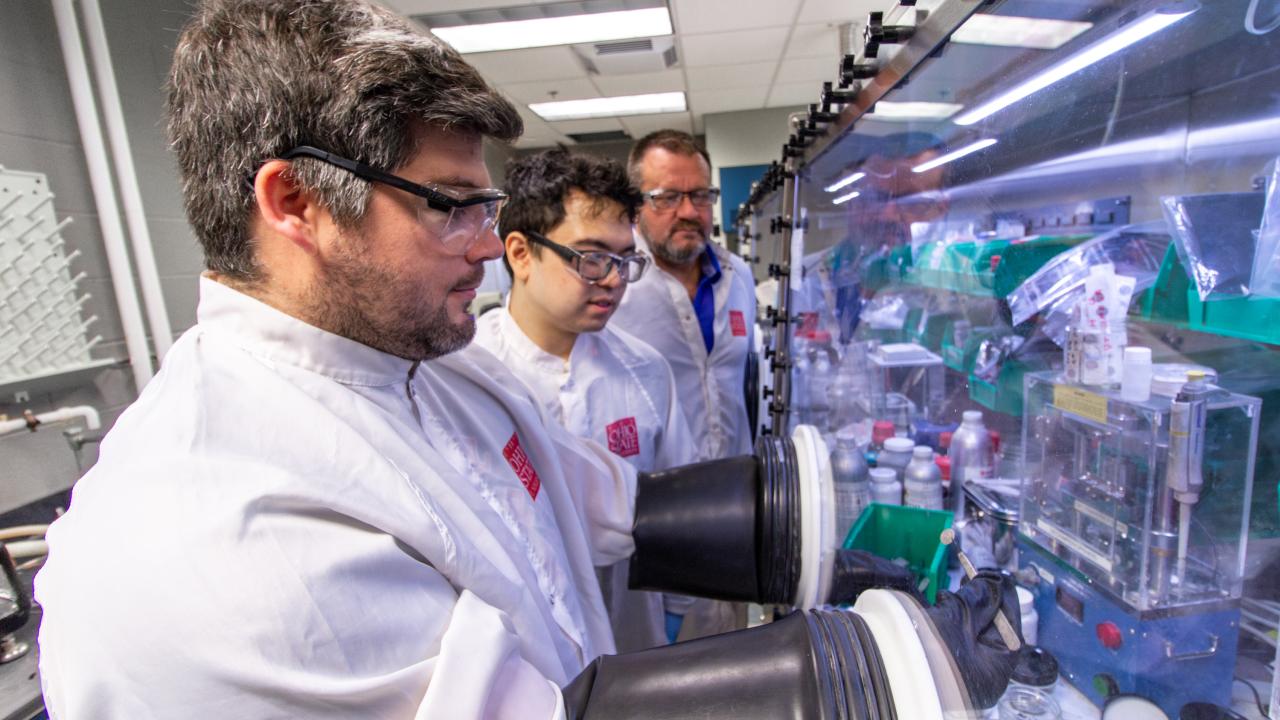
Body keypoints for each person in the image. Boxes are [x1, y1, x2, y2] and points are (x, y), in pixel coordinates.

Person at [35, 2, 1019, 717]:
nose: (483, 241)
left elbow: (612, 509)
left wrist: (857, 555)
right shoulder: (221, 528)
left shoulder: (434, 367)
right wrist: (874, 679)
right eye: (447, 203)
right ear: (293, 203)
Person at [473, 147, 695, 652]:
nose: (615, 280)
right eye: (592, 258)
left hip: (635, 640)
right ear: (521, 253)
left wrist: (677, 614)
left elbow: (678, 509)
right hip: (523, 658)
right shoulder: (469, 375)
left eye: (625, 260)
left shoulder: (645, 372)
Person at [610, 130, 759, 638]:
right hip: (655, 525)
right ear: (636, 206)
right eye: (667, 198)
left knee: (735, 660)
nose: (688, 211)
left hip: (735, 516)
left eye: (700, 195)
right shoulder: (615, 289)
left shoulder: (739, 278)